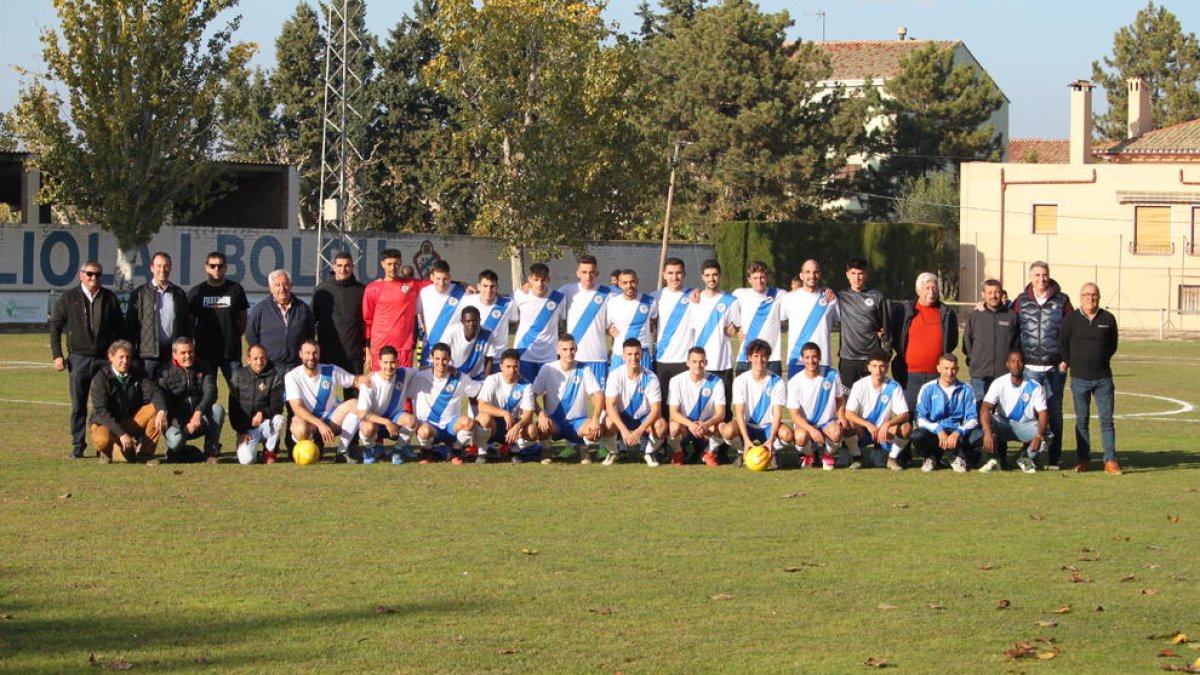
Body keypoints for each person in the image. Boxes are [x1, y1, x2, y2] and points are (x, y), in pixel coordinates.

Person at [50, 260, 125, 458]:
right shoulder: (69, 297)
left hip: (104, 359)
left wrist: (118, 356)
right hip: (79, 358)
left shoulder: (109, 298)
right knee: (78, 405)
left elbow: (120, 329)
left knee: (108, 403)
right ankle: (78, 444)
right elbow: (55, 326)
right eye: (90, 274)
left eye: (98, 274)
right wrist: (57, 355)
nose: (94, 278)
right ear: (81, 275)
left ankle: (106, 444)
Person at [1012, 261, 1073, 469]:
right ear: (1031, 277)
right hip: (1029, 368)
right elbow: (1011, 325)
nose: (1041, 279)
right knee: (1029, 413)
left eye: (1044, 274)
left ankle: (1055, 457)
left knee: (1054, 412)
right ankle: (1030, 455)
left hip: (1054, 368)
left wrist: (1066, 359)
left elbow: (1071, 330)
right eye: (1037, 275)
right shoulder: (1021, 301)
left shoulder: (1062, 300)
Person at [1060, 282, 1121, 474]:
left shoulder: (1108, 318)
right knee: (1082, 421)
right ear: (1080, 297)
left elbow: (1112, 345)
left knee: (1107, 421)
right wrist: (1072, 362)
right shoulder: (1071, 319)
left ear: (1099, 297)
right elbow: (1063, 344)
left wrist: (1099, 359)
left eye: (1094, 295)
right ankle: (1083, 460)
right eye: (1086, 295)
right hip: (1079, 379)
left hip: (1103, 378)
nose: (1090, 298)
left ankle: (1110, 460)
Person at [285, 340, 368, 463]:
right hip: (309, 423)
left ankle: (341, 452)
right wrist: (320, 424)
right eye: (307, 353)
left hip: (331, 420)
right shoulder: (292, 377)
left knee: (356, 404)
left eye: (315, 353)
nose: (311, 357)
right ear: (300, 354)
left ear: (319, 354)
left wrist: (370, 380)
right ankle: (310, 448)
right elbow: (297, 409)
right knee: (300, 429)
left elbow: (355, 381)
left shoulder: (331, 370)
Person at [88, 340, 168, 464]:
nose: (125, 361)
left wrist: (162, 412)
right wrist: (122, 434)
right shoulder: (100, 378)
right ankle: (107, 452)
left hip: (128, 421)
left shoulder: (137, 373)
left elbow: (155, 392)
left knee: (155, 409)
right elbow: (101, 412)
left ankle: (145, 454)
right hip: (105, 423)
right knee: (102, 441)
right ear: (111, 357)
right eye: (121, 357)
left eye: (128, 357)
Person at [531, 333, 605, 464]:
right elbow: (532, 395)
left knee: (597, 430)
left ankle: (583, 448)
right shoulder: (547, 369)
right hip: (555, 422)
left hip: (578, 422)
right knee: (540, 425)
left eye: (572, 349)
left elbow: (598, 395)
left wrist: (595, 419)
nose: (569, 353)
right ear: (558, 350)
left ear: (576, 349)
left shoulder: (584, 368)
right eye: (564, 349)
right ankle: (547, 450)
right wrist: (541, 414)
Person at [891, 272, 958, 414]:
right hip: (909, 376)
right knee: (905, 417)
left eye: (934, 288)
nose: (931, 292)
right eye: (927, 288)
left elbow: (952, 341)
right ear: (918, 291)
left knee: (935, 417)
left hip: (936, 375)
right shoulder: (903, 311)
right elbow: (894, 336)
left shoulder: (946, 313)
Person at [720, 339, 793, 466]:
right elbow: (739, 413)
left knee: (788, 435)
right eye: (756, 356)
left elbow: (777, 413)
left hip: (768, 426)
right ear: (749, 358)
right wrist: (746, 440)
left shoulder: (777, 381)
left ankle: (770, 451)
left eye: (763, 356)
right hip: (748, 425)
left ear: (768, 358)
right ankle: (743, 451)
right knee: (727, 431)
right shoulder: (740, 380)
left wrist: (771, 439)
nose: (760, 360)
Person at [408, 342, 482, 464]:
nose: (441, 363)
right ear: (431, 358)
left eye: (444, 359)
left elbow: (480, 389)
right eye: (437, 359)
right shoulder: (420, 377)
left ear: (449, 359)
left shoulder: (459, 377)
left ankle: (456, 450)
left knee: (469, 423)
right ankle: (428, 451)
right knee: (423, 432)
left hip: (451, 426)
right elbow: (401, 378)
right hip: (430, 427)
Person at [910, 353, 983, 473]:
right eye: (946, 368)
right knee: (917, 436)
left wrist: (959, 431)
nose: (950, 373)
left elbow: (973, 419)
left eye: (953, 369)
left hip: (956, 432)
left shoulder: (966, 389)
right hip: (935, 433)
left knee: (980, 435)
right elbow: (919, 418)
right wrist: (937, 429)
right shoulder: (928, 388)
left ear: (957, 369)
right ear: (938, 368)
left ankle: (958, 456)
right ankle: (931, 457)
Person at [157, 337, 225, 463]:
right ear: (174, 354)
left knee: (217, 409)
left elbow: (210, 393)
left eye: (190, 352)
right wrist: (183, 425)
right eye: (183, 353)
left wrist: (199, 412)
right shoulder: (164, 372)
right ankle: (178, 450)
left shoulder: (204, 367)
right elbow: (166, 404)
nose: (188, 356)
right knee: (175, 443)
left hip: (198, 420)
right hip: (177, 423)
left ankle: (211, 452)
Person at [979, 350, 1048, 474]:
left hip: (1025, 426)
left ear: (1024, 364)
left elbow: (1043, 413)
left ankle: (1024, 458)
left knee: (1047, 435)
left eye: (1019, 362)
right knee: (986, 422)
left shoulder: (1035, 386)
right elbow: (985, 407)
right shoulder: (999, 383)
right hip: (1003, 425)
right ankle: (994, 460)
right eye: (1013, 361)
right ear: (1007, 364)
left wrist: (1039, 435)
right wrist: (987, 432)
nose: (1016, 365)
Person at [125, 251, 192, 379]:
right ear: (152, 268)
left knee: (173, 388)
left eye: (166, 266)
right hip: (148, 356)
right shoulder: (140, 294)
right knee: (148, 388)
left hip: (173, 354)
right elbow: (130, 327)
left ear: (170, 268)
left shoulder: (178, 294)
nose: (163, 269)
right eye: (159, 266)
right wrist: (132, 356)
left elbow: (186, 325)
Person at [188, 250, 249, 386]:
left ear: (225, 268)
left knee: (238, 390)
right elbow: (190, 322)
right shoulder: (196, 292)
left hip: (231, 354)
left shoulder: (236, 289)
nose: (216, 269)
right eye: (212, 266)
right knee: (207, 391)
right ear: (206, 267)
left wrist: (234, 336)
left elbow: (243, 318)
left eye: (220, 266)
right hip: (204, 353)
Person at [602, 339, 666, 466]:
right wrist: (624, 430)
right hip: (623, 417)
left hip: (643, 418)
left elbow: (656, 410)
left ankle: (649, 453)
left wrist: (640, 430)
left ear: (641, 355)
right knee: (607, 423)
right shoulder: (615, 375)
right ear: (623, 356)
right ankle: (613, 452)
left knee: (661, 425)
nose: (633, 358)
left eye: (637, 354)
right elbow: (610, 406)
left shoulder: (651, 377)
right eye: (629, 354)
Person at [844, 350, 911, 471]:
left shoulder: (894, 386)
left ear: (887, 367)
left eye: (882, 366)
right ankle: (856, 457)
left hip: (883, 431)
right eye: (874, 366)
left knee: (906, 428)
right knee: (846, 424)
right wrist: (867, 424)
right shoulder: (859, 385)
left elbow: (904, 414)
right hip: (863, 430)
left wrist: (887, 424)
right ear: (869, 367)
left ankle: (892, 459)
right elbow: (848, 413)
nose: (878, 370)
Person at [786, 343, 847, 470]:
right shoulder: (794, 382)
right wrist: (811, 430)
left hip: (826, 422)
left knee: (837, 432)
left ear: (819, 357)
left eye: (814, 357)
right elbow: (794, 415)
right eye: (807, 357)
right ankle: (810, 455)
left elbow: (840, 399)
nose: (811, 361)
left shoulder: (832, 375)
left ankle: (827, 456)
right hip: (806, 423)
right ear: (802, 359)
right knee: (800, 437)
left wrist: (841, 416)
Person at [363, 249, 427, 369]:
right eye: (389, 264)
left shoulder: (410, 284)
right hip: (379, 347)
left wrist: (460, 284)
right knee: (381, 381)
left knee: (403, 381)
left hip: (403, 348)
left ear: (400, 263)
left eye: (396, 264)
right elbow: (367, 321)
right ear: (382, 264)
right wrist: (367, 351)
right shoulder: (372, 288)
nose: (392, 268)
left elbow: (437, 283)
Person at [472, 348, 538, 464]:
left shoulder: (526, 385)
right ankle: (483, 451)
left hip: (513, 427)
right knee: (483, 418)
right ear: (501, 366)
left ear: (519, 366)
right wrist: (504, 413)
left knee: (532, 430)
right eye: (508, 366)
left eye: (515, 366)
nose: (512, 370)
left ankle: (514, 450)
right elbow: (482, 406)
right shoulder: (492, 380)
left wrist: (517, 427)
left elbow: (528, 414)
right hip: (494, 425)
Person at [355, 345, 420, 465]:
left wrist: (448, 368)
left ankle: (398, 450)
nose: (389, 366)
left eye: (392, 362)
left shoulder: (403, 373)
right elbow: (362, 413)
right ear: (379, 362)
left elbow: (422, 369)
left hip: (395, 421)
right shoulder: (370, 382)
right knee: (367, 428)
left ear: (397, 362)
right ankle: (371, 449)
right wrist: (386, 422)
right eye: (385, 362)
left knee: (411, 420)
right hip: (376, 423)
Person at [836, 257, 890, 391]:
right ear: (847, 275)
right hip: (848, 358)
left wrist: (885, 353)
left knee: (871, 396)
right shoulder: (840, 297)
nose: (857, 278)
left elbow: (886, 328)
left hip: (871, 357)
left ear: (866, 274)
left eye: (860, 274)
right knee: (847, 397)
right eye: (853, 273)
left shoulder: (877, 296)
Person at [311, 250, 366, 383]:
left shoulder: (362, 290)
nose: (343, 269)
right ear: (333, 267)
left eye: (347, 265)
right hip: (327, 353)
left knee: (354, 393)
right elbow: (311, 319)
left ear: (352, 267)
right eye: (339, 265)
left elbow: (367, 322)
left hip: (353, 355)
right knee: (325, 393)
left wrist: (367, 347)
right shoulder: (321, 290)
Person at [666, 347, 727, 466]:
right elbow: (673, 413)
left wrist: (706, 424)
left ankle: (708, 453)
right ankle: (679, 453)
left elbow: (721, 413)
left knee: (722, 427)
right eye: (694, 361)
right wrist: (690, 425)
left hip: (705, 428)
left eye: (701, 361)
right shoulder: (676, 381)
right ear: (687, 363)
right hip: (685, 427)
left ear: (706, 362)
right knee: (673, 427)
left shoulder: (716, 381)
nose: (698, 365)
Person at [963, 278, 1020, 405]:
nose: (993, 296)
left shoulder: (1012, 316)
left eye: (997, 292)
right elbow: (967, 342)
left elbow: (1017, 344)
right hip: (980, 374)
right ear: (983, 294)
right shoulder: (974, 316)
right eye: (989, 292)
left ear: (1002, 293)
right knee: (980, 410)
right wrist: (974, 360)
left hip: (1004, 374)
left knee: (1003, 411)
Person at [560, 255, 613, 389]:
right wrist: (528, 287)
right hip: (574, 357)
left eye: (591, 272)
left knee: (600, 399)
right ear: (578, 273)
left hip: (598, 357)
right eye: (584, 272)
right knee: (571, 398)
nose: (588, 276)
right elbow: (544, 296)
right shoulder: (567, 291)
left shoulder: (608, 293)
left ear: (597, 273)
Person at [247, 269, 314, 372]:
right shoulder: (260, 309)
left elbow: (310, 336)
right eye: (277, 285)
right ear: (271, 288)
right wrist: (261, 357)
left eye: (285, 284)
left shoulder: (303, 309)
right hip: (270, 367)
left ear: (291, 285)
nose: (282, 288)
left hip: (296, 366)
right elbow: (251, 335)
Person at [691, 259, 737, 410]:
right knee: (700, 408)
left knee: (724, 409)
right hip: (700, 363)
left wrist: (733, 330)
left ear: (720, 275)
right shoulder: (694, 300)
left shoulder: (731, 301)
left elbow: (734, 328)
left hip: (722, 363)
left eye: (715, 275)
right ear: (702, 277)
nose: (711, 279)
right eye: (707, 275)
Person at [229, 344, 287, 464]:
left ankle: (269, 451)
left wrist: (263, 413)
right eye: (255, 358)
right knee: (247, 460)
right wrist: (241, 431)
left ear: (267, 358)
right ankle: (251, 451)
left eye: (262, 358)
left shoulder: (274, 376)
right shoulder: (238, 376)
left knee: (280, 420)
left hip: (266, 424)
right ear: (248, 359)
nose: (259, 362)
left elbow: (277, 405)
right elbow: (233, 409)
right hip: (247, 428)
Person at [779, 259, 839, 374]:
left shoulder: (830, 298)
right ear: (801, 275)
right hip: (797, 360)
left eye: (815, 272)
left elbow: (844, 322)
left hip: (822, 360)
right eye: (808, 272)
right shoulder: (789, 298)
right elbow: (775, 322)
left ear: (820, 274)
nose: (812, 275)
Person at [512, 263, 566, 382]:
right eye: (536, 280)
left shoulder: (559, 298)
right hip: (524, 353)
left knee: (550, 391)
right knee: (526, 390)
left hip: (549, 355)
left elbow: (563, 322)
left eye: (543, 280)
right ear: (529, 279)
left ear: (548, 280)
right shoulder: (519, 295)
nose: (540, 284)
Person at [731, 261, 784, 375]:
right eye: (755, 278)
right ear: (749, 279)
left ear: (767, 277)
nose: (759, 281)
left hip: (772, 358)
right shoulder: (739, 294)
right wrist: (738, 329)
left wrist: (822, 290)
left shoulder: (779, 294)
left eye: (762, 277)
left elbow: (799, 294)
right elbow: (728, 316)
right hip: (746, 357)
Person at [653, 257, 695, 398]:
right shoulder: (656, 297)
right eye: (670, 273)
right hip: (662, 358)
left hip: (686, 360)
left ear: (684, 274)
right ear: (664, 275)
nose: (674, 277)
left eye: (678, 273)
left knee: (684, 402)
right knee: (663, 402)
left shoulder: (694, 296)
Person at [460, 269, 512, 377]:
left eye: (492, 286)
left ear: (497, 287)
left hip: (498, 360)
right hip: (473, 358)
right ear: (478, 286)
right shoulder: (467, 301)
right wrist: (460, 283)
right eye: (485, 286)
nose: (488, 290)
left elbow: (518, 323)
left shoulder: (509, 304)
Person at [417, 260, 466, 366]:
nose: (441, 283)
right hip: (430, 347)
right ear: (432, 277)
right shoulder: (424, 292)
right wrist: (421, 325)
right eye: (438, 279)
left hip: (453, 349)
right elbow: (418, 312)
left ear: (450, 277)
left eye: (445, 279)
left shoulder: (461, 293)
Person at [606, 269, 656, 371]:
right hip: (620, 354)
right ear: (619, 284)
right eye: (625, 283)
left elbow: (656, 323)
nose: (629, 285)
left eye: (632, 281)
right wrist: (609, 331)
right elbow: (606, 328)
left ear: (637, 281)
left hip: (642, 354)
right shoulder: (612, 303)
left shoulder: (650, 301)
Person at [445, 305, 488, 382]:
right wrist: (448, 369)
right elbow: (442, 352)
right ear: (462, 321)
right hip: (455, 373)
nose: (471, 324)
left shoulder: (488, 333)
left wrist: (487, 380)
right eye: (468, 321)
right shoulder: (451, 332)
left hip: (476, 376)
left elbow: (489, 359)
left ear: (479, 320)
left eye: (475, 321)